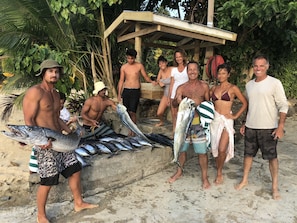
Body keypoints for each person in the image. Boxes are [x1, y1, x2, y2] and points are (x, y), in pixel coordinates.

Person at [23, 59, 98, 223]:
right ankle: (41, 216)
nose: (54, 74)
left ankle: (78, 203)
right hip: (45, 143)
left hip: (60, 140)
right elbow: (29, 120)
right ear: (43, 73)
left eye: (56, 71)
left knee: (74, 169)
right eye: (50, 71)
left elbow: (56, 118)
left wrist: (70, 131)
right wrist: (40, 141)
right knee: (48, 180)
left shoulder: (56, 94)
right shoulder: (35, 92)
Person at [234, 55, 288, 200]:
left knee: (272, 158)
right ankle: (245, 180)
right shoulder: (249, 85)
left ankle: (275, 187)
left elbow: (283, 105)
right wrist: (245, 122)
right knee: (248, 155)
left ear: (267, 66)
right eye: (256, 66)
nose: (258, 68)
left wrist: (281, 126)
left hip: (268, 128)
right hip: (251, 127)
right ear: (253, 67)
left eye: (261, 65)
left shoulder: (274, 83)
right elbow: (250, 105)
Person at [168, 61, 211, 189]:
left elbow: (209, 104)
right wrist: (177, 100)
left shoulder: (204, 87)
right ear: (187, 72)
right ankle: (179, 171)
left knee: (202, 152)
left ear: (198, 71)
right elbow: (174, 105)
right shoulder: (181, 87)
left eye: (194, 69)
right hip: (184, 124)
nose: (192, 72)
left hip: (198, 123)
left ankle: (204, 177)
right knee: (182, 149)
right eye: (189, 70)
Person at [210, 63, 247, 185]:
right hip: (215, 120)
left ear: (228, 74)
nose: (221, 75)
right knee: (215, 147)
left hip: (226, 120)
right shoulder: (214, 89)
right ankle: (218, 166)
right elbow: (208, 103)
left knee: (221, 149)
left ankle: (219, 172)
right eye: (219, 73)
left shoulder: (233, 88)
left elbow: (244, 103)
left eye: (223, 73)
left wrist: (235, 116)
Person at [117, 49, 157, 136]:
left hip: (135, 90)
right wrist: (119, 94)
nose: (130, 60)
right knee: (126, 112)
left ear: (135, 58)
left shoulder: (139, 66)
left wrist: (152, 81)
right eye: (128, 58)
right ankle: (129, 129)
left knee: (133, 112)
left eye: (132, 58)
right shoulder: (124, 67)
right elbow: (121, 80)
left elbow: (145, 76)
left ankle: (133, 130)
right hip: (126, 90)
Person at [168, 48, 189, 133]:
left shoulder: (187, 69)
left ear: (183, 57)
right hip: (174, 94)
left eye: (180, 56)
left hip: (184, 95)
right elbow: (172, 84)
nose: (178, 58)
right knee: (174, 114)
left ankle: (184, 132)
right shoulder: (173, 70)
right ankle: (175, 130)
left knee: (184, 114)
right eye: (177, 57)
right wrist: (169, 97)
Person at [155, 56, 172, 127]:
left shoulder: (172, 69)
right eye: (160, 64)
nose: (161, 65)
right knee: (159, 112)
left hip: (174, 94)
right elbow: (158, 80)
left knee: (175, 113)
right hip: (166, 94)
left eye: (163, 63)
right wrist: (159, 82)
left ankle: (176, 128)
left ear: (166, 63)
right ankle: (161, 122)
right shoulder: (161, 71)